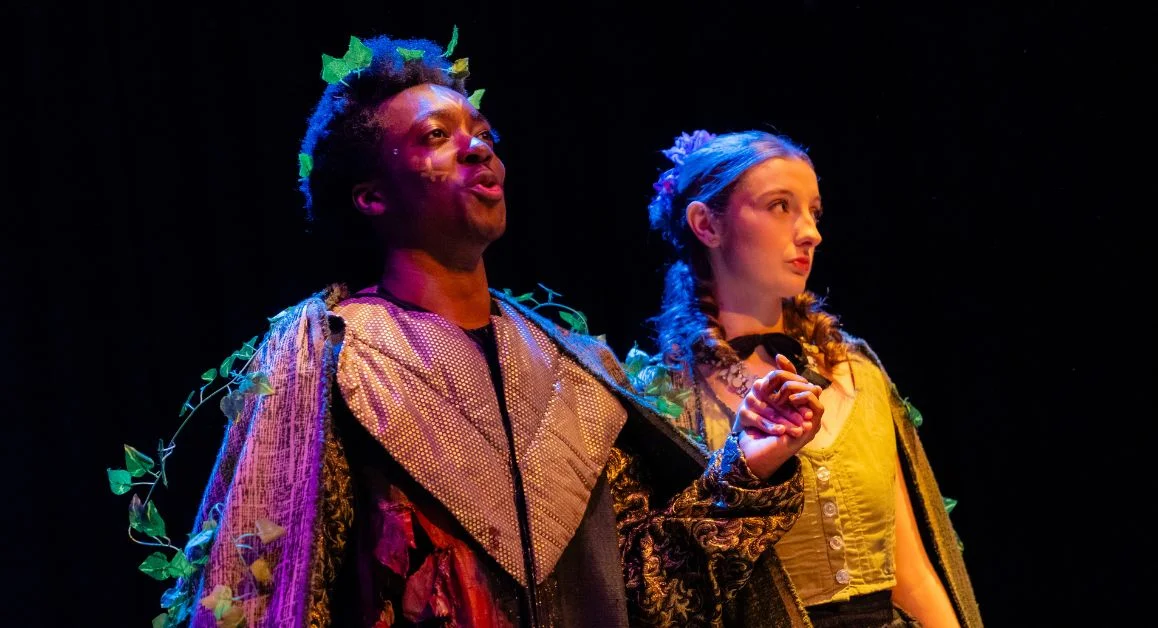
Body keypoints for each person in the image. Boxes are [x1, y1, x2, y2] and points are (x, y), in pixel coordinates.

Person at [172, 34, 824, 628]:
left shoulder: (575, 369)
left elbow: (646, 593)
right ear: (370, 195)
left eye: (482, 132)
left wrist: (747, 465)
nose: (479, 146)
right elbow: (270, 594)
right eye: (435, 137)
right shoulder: (332, 359)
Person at [634, 129, 983, 627]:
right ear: (706, 224)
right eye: (780, 206)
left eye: (813, 212)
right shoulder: (665, 395)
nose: (811, 233)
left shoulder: (857, 372)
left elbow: (912, 572)